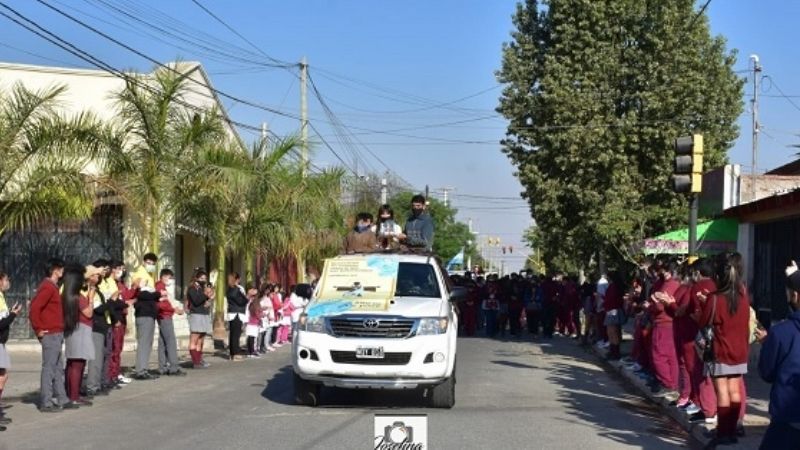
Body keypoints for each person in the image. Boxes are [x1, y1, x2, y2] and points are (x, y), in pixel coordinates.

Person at [697, 254, 751, 447]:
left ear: (718, 277)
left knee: (722, 392)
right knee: (735, 390)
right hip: (741, 350)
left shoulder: (715, 299)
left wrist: (704, 304)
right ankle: (733, 429)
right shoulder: (744, 297)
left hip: (721, 350)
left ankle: (723, 432)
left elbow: (704, 322)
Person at [756, 261, 800, 449]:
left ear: (794, 295)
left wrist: (769, 345)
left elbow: (767, 372)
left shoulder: (782, 332)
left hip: (788, 417)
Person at [29, 258, 74, 412]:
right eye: (60, 268)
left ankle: (62, 398)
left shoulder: (52, 287)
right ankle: (46, 402)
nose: (62, 271)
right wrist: (38, 329)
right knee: (49, 368)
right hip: (50, 333)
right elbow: (34, 308)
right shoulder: (47, 287)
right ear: (55, 269)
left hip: (56, 332)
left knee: (57, 367)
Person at [62, 265, 93, 407]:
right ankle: (74, 396)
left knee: (72, 364)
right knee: (78, 365)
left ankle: (71, 393)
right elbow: (88, 313)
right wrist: (91, 298)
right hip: (81, 330)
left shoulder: (67, 294)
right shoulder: (78, 297)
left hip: (72, 329)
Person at [84, 264, 117, 396]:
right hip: (95, 326)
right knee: (95, 359)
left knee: (102, 356)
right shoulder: (87, 289)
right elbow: (98, 309)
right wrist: (111, 301)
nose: (99, 277)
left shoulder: (96, 289)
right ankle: (92, 386)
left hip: (102, 325)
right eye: (96, 275)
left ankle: (98, 383)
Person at [132, 253, 161, 380]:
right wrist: (157, 294)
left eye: (153, 264)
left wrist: (155, 294)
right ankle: (141, 371)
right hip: (144, 312)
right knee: (144, 342)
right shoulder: (140, 274)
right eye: (149, 263)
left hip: (149, 312)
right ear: (144, 262)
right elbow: (142, 293)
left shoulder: (150, 275)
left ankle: (143, 368)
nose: (151, 265)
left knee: (147, 342)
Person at [0, 272, 22, 429]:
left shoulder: (1, 296)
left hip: (1, 343)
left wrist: (11, 313)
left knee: (3, 376)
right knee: (2, 376)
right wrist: (13, 315)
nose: (9, 282)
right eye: (7, 279)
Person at [155, 269, 185, 376]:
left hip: (164, 316)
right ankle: (173, 367)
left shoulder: (162, 287)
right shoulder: (159, 287)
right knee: (170, 341)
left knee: (163, 342)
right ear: (163, 276)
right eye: (169, 277)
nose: (170, 280)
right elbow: (162, 304)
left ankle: (162, 367)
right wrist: (175, 310)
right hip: (165, 316)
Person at [110, 261, 135, 385]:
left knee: (118, 348)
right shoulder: (110, 284)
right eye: (118, 268)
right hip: (116, 317)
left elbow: (126, 295)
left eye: (123, 269)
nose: (121, 271)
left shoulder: (120, 283)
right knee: (114, 348)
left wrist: (136, 289)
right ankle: (112, 374)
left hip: (123, 315)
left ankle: (116, 373)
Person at [186, 269, 214, 369]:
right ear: (196, 278)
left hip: (204, 314)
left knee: (201, 339)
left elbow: (205, 301)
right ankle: (195, 362)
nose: (203, 280)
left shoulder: (203, 288)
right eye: (201, 278)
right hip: (196, 315)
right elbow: (196, 301)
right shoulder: (192, 288)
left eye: (205, 278)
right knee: (194, 338)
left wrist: (209, 300)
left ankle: (199, 359)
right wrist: (205, 295)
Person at [226, 273, 249, 361]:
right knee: (236, 334)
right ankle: (235, 353)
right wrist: (248, 297)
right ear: (236, 279)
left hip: (233, 312)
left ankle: (232, 353)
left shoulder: (230, 289)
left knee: (233, 333)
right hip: (237, 313)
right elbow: (241, 301)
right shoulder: (235, 289)